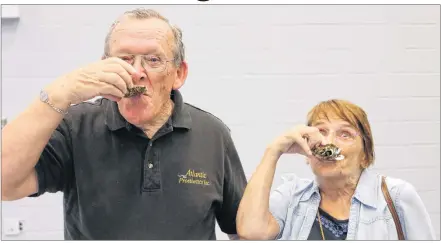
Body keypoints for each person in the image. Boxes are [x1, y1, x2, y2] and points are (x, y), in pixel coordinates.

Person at [1, 8, 247, 240]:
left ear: (178, 74)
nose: (136, 72)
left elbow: (242, 229)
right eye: (124, 59)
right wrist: (58, 94)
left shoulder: (213, 134)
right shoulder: (75, 127)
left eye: (153, 60)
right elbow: (4, 184)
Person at [236, 99, 436, 240]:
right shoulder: (291, 197)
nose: (328, 142)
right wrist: (274, 151)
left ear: (365, 155)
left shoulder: (396, 196)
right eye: (320, 131)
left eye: (345, 134)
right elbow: (251, 233)